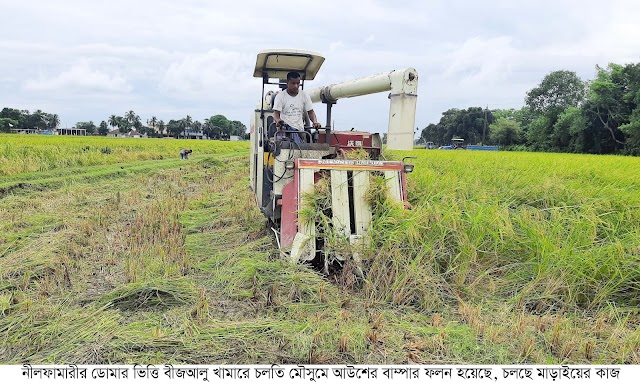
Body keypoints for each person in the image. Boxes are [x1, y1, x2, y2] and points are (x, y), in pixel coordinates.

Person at [273, 71, 321, 143]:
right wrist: (278, 120)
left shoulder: (304, 95)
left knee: (301, 150)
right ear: (287, 83)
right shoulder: (280, 96)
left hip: (300, 130)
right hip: (285, 130)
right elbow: (276, 113)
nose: (296, 86)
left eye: (298, 83)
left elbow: (310, 112)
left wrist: (315, 122)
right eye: (293, 83)